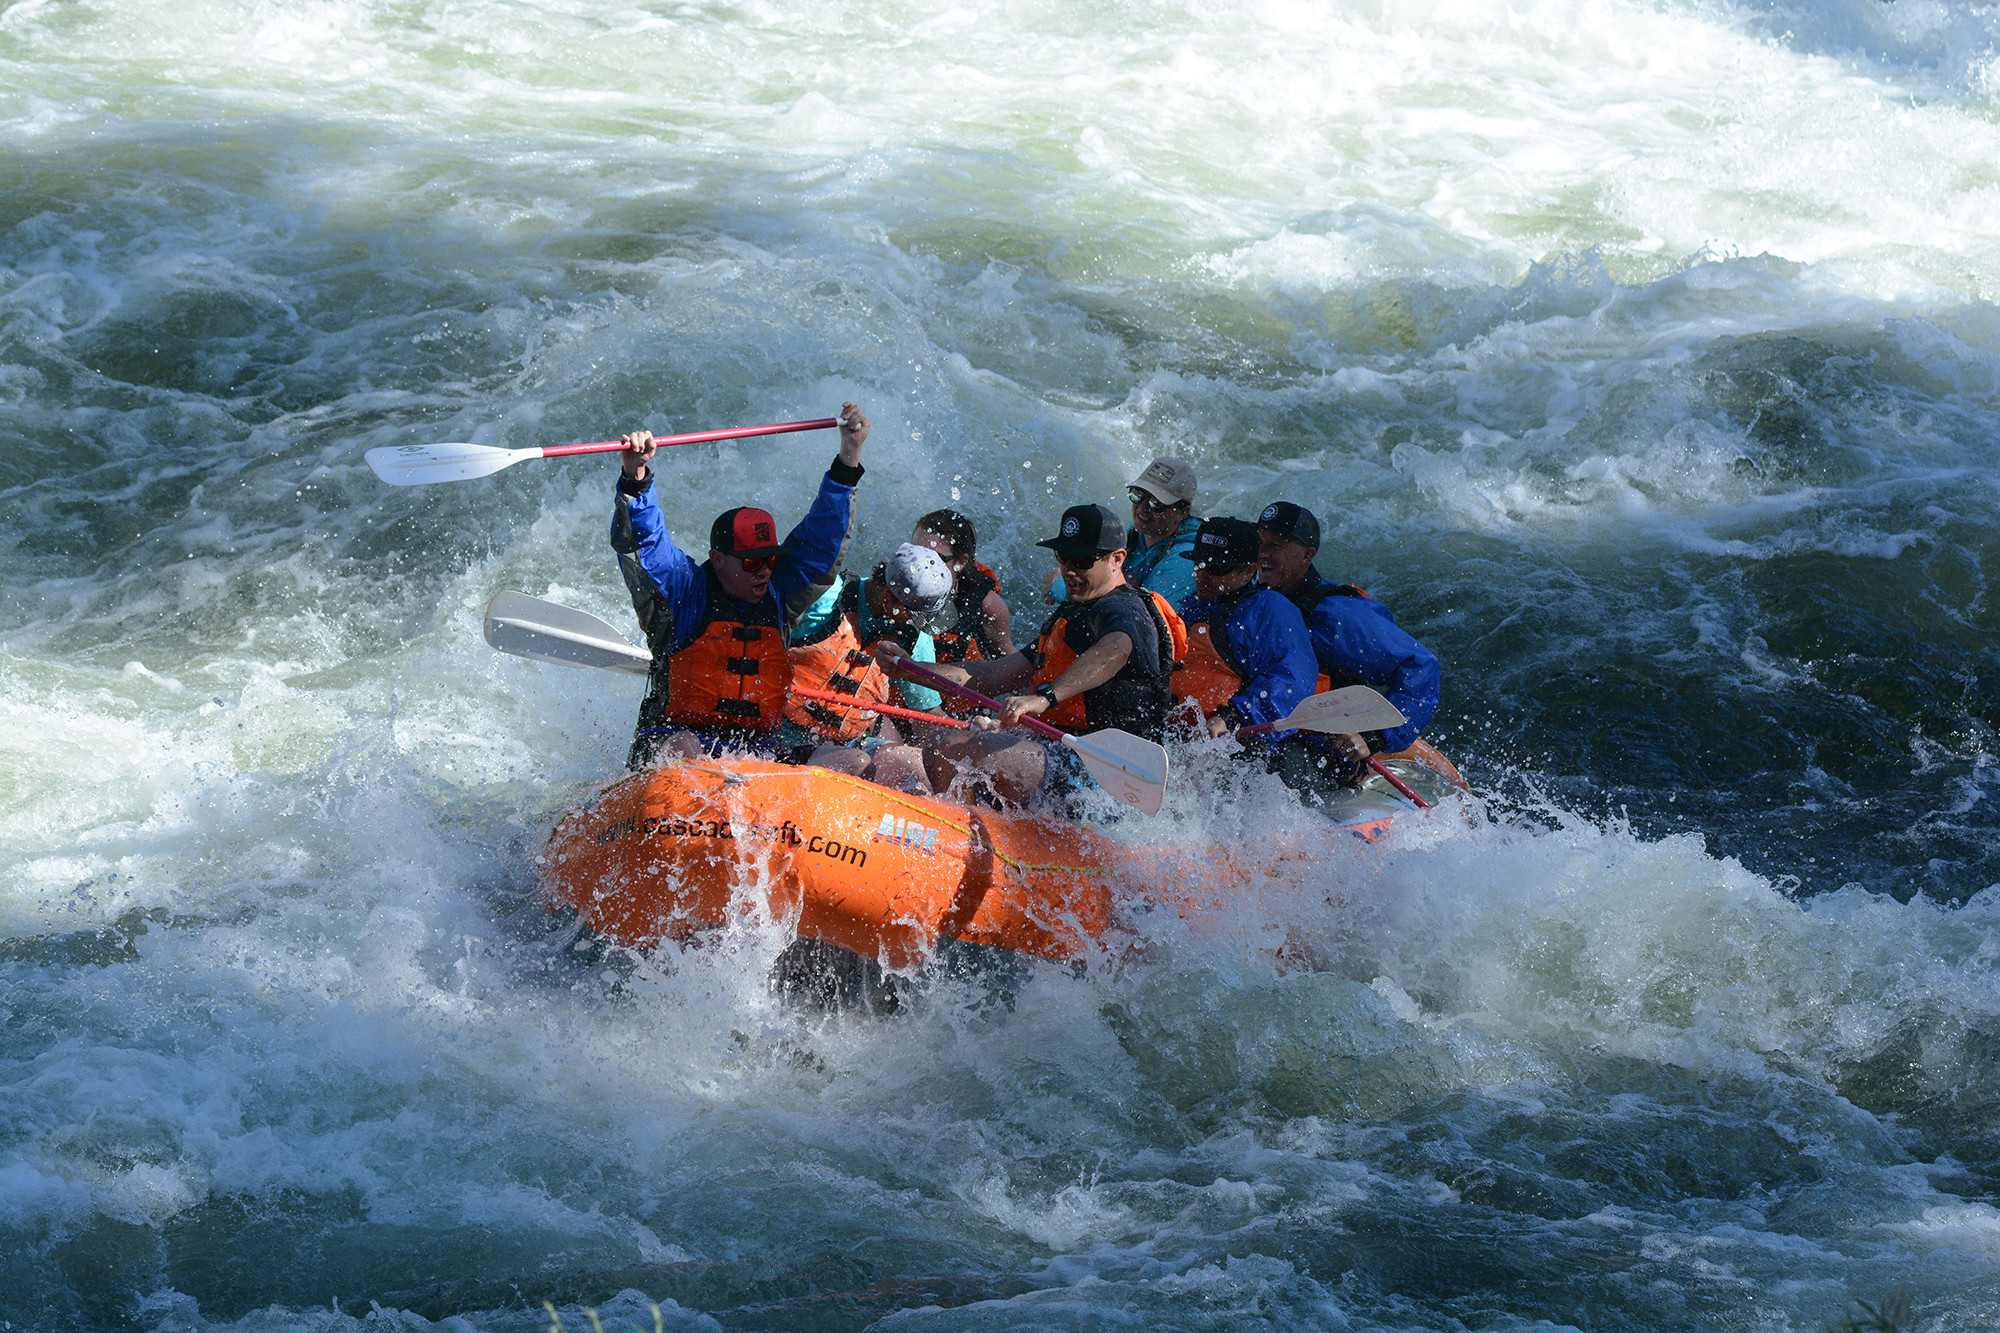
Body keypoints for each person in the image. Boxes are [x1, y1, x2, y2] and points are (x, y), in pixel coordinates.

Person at [875, 503, 1185, 810]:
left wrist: (1046, 698)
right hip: (1058, 753)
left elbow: (1115, 650)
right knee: (948, 739)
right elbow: (990, 676)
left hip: (1102, 775)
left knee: (948, 746)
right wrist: (912, 670)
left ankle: (947, 832)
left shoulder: (1126, 611)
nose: (1069, 570)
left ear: (1117, 559)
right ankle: (963, 819)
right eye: (1063, 557)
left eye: (1081, 560)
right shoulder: (1075, 614)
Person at [610, 402, 869, 768]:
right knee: (684, 749)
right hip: (676, 740)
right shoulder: (683, 592)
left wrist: (849, 455)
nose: (764, 571)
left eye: (770, 560)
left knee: (852, 762)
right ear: (718, 559)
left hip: (755, 749)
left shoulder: (781, 593)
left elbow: (822, 541)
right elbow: (645, 544)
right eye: (751, 563)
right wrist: (636, 476)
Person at [1254, 501, 1441, 791]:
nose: (1263, 554)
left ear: (1307, 555)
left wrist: (1375, 735)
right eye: (1259, 542)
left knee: (1260, 764)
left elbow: (1420, 665)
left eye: (1277, 546)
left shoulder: (1338, 614)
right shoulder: (1249, 599)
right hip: (1262, 733)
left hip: (1322, 751)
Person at [785, 543, 955, 793]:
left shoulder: (914, 638)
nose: (918, 624)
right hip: (781, 734)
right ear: (888, 596)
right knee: (857, 763)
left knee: (917, 766)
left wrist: (967, 742)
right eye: (914, 614)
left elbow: (928, 716)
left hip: (850, 742)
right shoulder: (823, 600)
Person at [1173, 517, 1320, 741]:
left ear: (1249, 571)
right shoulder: (1191, 609)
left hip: (1243, 742)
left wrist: (1231, 718)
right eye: (1198, 564)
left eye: (1216, 568)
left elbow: (1290, 679)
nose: (1202, 576)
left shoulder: (1268, 609)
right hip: (1184, 734)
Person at [1042, 457, 1203, 609]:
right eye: (1138, 495)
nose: (1143, 509)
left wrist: (1063, 588)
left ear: (1182, 512)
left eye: (1156, 503)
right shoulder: (1138, 534)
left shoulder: (1186, 557)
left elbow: (1143, 613)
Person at [910, 509, 1014, 662]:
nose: (922, 566)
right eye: (915, 553)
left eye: (935, 559)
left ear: (961, 561)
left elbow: (1010, 668)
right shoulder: (894, 589)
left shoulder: (988, 607)